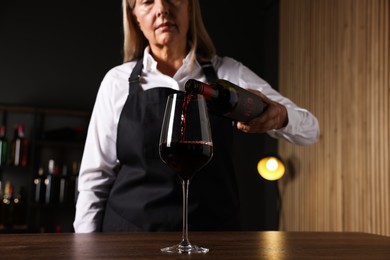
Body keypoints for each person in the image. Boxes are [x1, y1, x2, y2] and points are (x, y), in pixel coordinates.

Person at [73, 0, 319, 233]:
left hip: (213, 239)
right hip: (130, 238)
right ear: (134, 16)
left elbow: (311, 130)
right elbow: (95, 178)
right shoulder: (117, 82)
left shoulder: (227, 74)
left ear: (190, 7)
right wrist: (86, 250)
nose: (162, 9)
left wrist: (280, 116)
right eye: (147, 1)